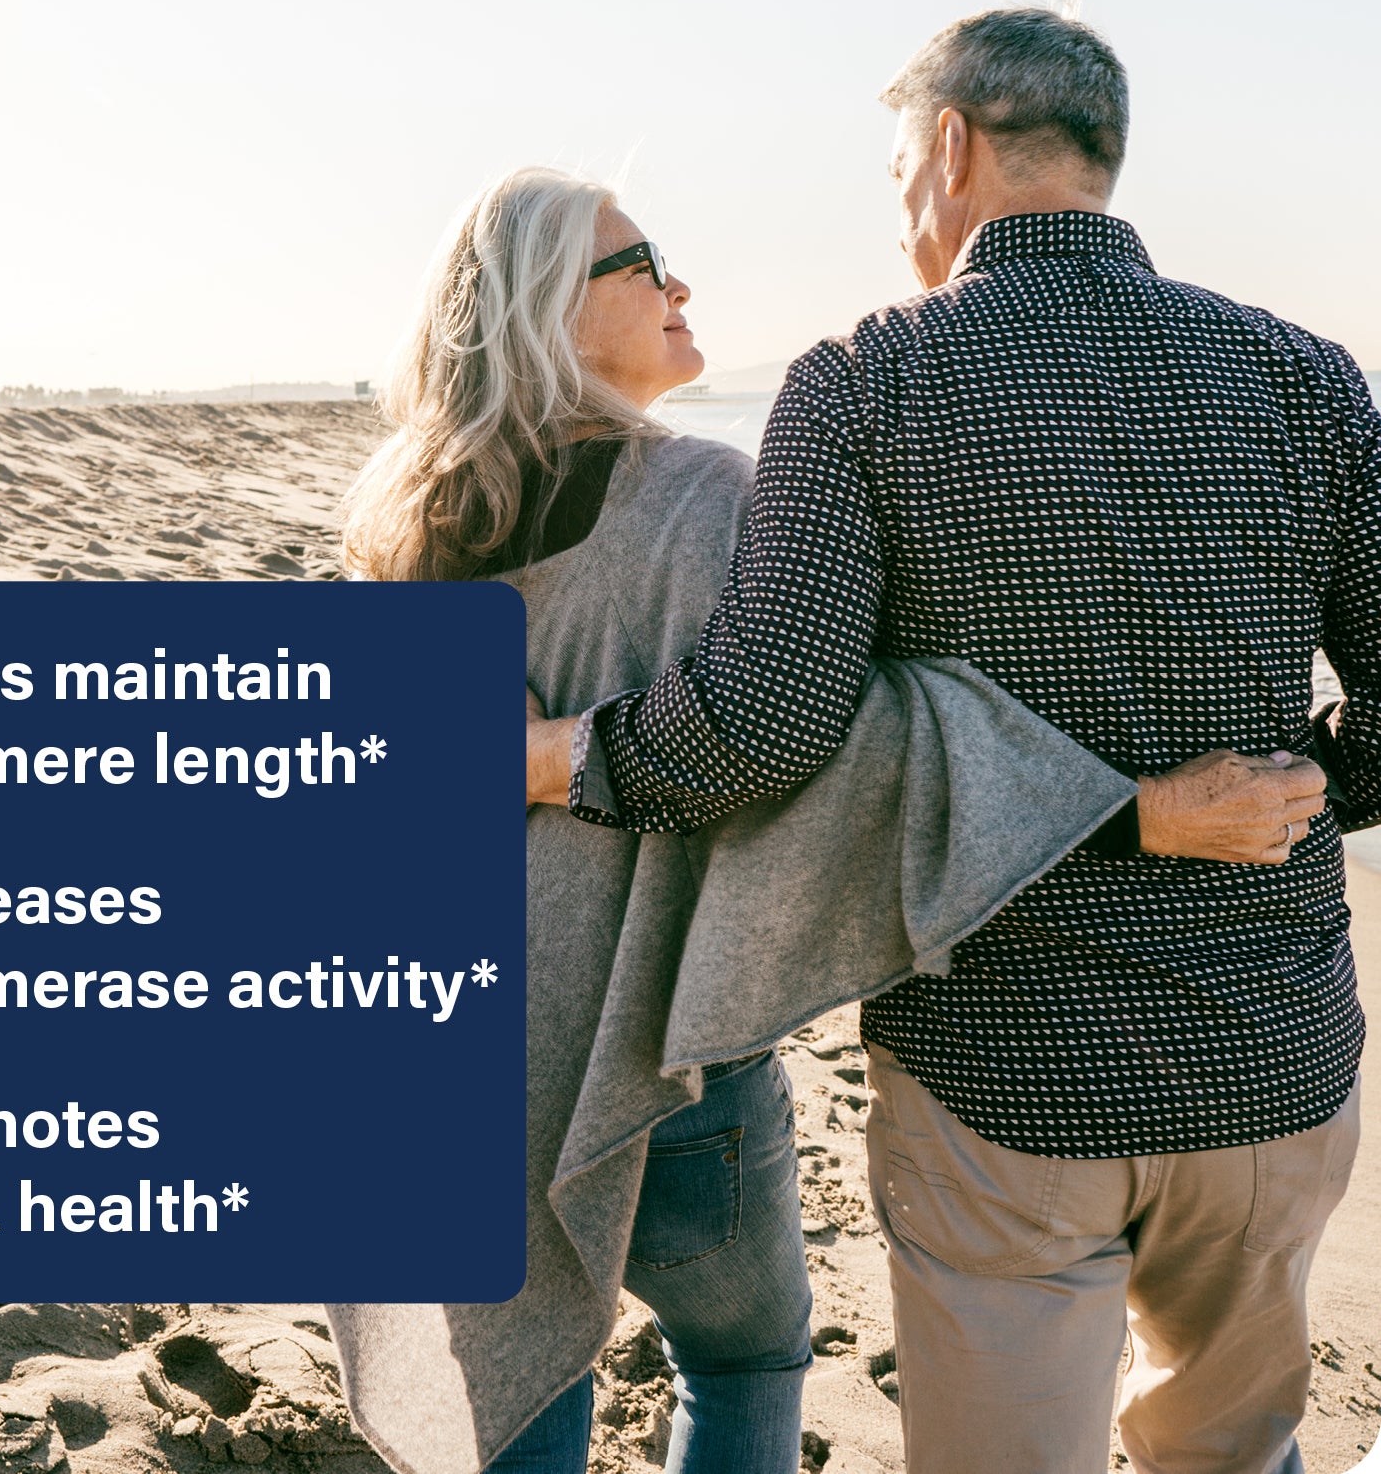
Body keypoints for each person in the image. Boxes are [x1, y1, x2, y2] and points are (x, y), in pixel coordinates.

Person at [329, 167, 1322, 1474]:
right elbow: (849, 747)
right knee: (742, 1353)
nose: (681, 285)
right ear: (550, 311)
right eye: (644, 264)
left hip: (446, 1049)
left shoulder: (398, 517)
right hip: (655, 1051)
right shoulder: (705, 502)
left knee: (513, 1391)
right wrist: (1133, 811)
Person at [528, 8, 1377, 1473]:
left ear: (949, 148)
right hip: (1271, 1053)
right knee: (1232, 1456)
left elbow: (759, 727)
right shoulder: (1306, 376)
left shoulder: (868, 378)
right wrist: (1305, 790)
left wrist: (556, 757)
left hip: (1003, 1063)